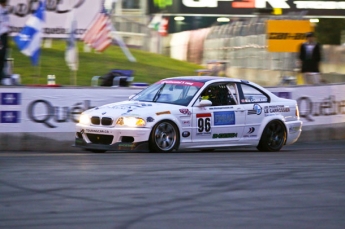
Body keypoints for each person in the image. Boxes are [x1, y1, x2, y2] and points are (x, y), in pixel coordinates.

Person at [0, 0, 9, 85]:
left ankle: (2, 75)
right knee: (1, 55)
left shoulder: (5, 10)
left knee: (4, 56)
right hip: (1, 35)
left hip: (4, 35)